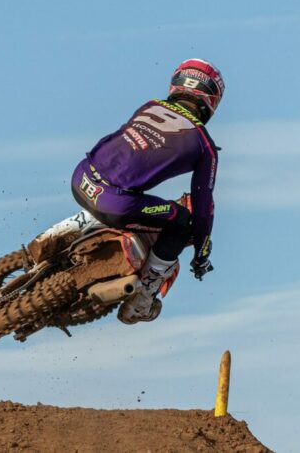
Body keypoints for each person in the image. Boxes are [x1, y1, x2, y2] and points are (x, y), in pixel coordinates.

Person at [27, 59, 224, 325]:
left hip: (81, 177)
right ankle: (142, 300)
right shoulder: (204, 146)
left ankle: (53, 234)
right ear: (212, 98)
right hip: (117, 204)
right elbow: (203, 208)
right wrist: (201, 254)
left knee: (120, 189)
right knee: (182, 222)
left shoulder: (150, 107)